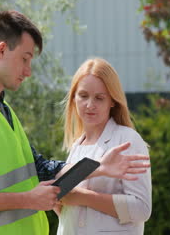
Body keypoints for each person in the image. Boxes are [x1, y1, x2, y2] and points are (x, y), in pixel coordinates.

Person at [0, 10, 151, 235]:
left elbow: (41, 169)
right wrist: (28, 199)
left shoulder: (2, 111)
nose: (28, 71)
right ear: (1, 49)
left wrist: (98, 168)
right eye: (25, 58)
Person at [55, 58, 152, 235]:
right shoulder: (76, 146)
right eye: (83, 96)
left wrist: (83, 197)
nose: (90, 105)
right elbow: (64, 203)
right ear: (74, 97)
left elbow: (142, 209)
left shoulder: (127, 140)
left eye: (99, 98)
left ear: (112, 101)